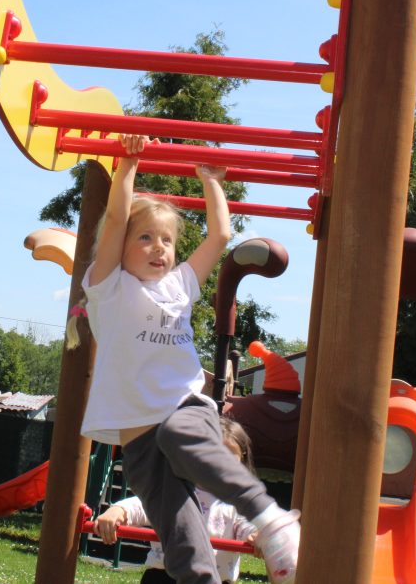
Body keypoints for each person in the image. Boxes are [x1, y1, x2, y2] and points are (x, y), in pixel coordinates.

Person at [67, 134, 300, 584]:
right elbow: (114, 218)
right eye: (146, 238)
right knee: (180, 535)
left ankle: (272, 520)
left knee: (177, 434)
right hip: (139, 440)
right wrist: (127, 166)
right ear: (120, 247)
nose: (160, 247)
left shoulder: (179, 285)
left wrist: (212, 181)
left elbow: (220, 235)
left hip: (185, 409)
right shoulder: (109, 288)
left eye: (167, 240)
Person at [95, 417, 262, 584]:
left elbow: (245, 525)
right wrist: (118, 511)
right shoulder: (176, 489)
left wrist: (256, 536)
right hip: (165, 575)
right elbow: (142, 505)